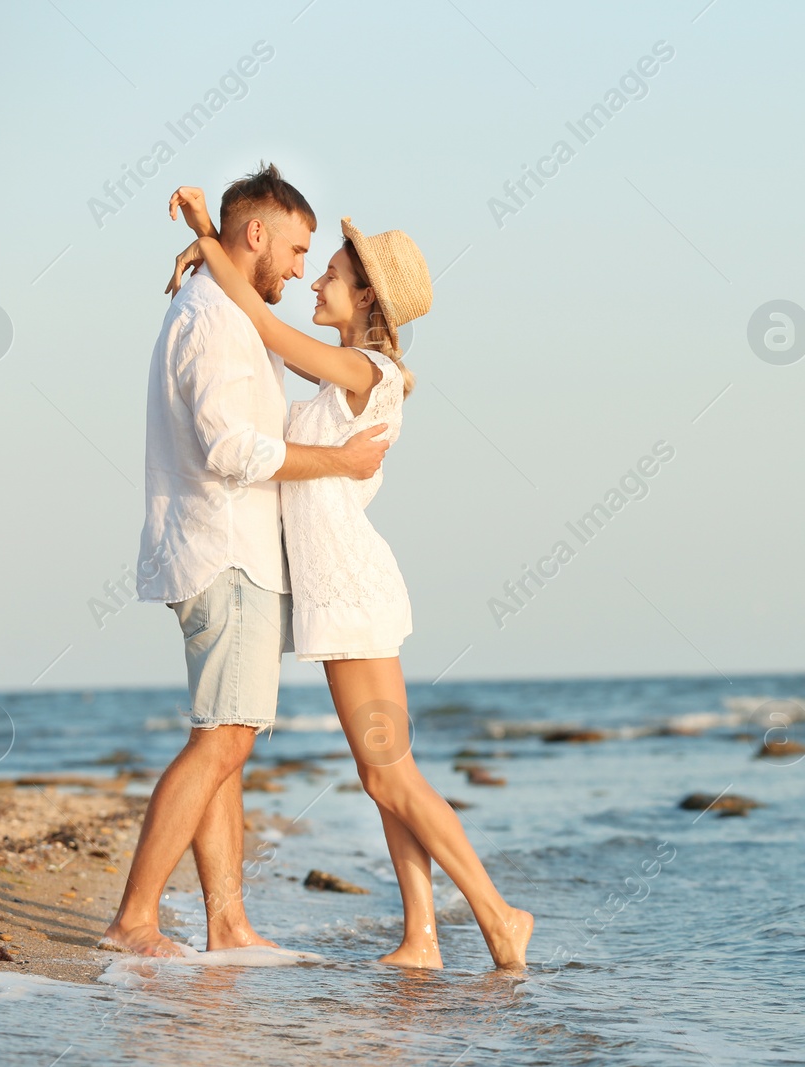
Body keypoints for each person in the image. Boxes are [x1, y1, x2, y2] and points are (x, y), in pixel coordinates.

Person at [165, 185, 534, 969]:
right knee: (384, 776)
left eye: (329, 270)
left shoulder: (368, 369)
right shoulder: (348, 380)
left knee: (389, 774)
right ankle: (422, 938)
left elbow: (264, 325)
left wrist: (209, 238)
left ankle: (500, 915)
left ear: (365, 293)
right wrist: (216, 249)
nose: (314, 280)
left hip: (352, 596)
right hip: (342, 596)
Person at [101, 164, 391, 958]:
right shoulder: (216, 318)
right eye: (298, 248)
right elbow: (232, 448)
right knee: (222, 739)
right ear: (255, 234)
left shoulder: (229, 307)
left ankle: (226, 925)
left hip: (237, 552)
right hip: (225, 548)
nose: (302, 266)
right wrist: (339, 463)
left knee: (226, 738)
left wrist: (202, 238)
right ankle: (134, 919)